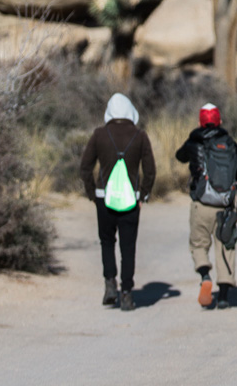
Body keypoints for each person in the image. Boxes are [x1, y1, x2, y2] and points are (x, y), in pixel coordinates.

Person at [80, 91, 156, 312]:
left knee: (106, 242)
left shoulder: (99, 135)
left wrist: (93, 194)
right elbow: (150, 170)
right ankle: (127, 294)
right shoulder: (140, 136)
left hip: (104, 198)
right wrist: (144, 194)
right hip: (131, 201)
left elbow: (85, 167)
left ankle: (110, 284)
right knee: (128, 247)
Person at [175, 102, 237, 309]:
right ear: (220, 122)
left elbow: (179, 157)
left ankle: (205, 275)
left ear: (200, 121)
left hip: (201, 205)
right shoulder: (232, 145)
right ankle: (224, 296)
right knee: (226, 247)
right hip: (225, 207)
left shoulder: (194, 142)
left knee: (198, 244)